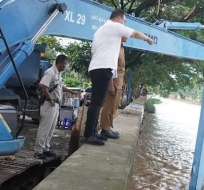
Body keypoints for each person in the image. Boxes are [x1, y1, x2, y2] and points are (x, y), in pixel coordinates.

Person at [83, 9, 154, 146]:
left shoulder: (101, 31)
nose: (124, 24)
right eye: (124, 21)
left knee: (97, 103)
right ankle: (89, 135)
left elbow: (93, 54)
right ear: (119, 18)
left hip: (98, 68)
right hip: (102, 69)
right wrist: (147, 38)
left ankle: (92, 132)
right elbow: (134, 33)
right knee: (96, 103)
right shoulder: (113, 26)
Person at [35, 54, 79, 159]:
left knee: (51, 128)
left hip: (55, 104)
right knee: (45, 128)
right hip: (49, 103)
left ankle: (46, 148)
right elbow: (42, 85)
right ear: (59, 63)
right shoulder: (50, 72)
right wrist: (50, 98)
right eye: (64, 64)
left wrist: (71, 92)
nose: (65, 66)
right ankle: (38, 150)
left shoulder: (57, 74)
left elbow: (60, 86)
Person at [99, 37, 127, 139]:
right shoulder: (114, 47)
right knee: (108, 106)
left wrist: (123, 82)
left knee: (114, 107)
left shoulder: (122, 48)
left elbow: (122, 68)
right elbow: (110, 67)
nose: (128, 36)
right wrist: (110, 85)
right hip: (113, 82)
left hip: (119, 82)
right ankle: (104, 129)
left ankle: (108, 127)